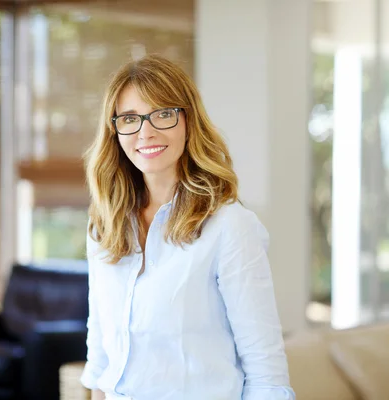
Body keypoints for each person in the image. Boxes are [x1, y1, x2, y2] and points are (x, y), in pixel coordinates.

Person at [80, 54, 295, 400]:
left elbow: (266, 372)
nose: (145, 132)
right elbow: (100, 344)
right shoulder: (104, 222)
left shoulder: (229, 226)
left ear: (188, 121)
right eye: (130, 119)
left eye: (163, 113)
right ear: (114, 129)